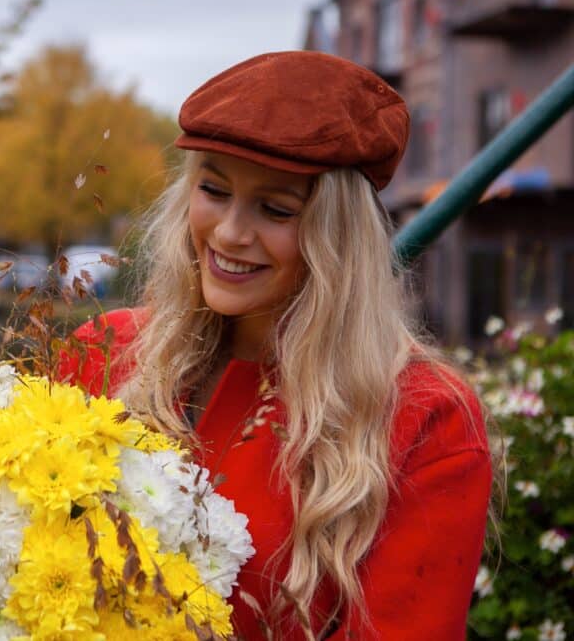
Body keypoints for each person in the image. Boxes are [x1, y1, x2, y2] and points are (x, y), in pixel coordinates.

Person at [57, 51, 494, 640]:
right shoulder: (106, 350)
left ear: (340, 235)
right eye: (213, 189)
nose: (231, 232)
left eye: (276, 209)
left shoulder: (424, 417)